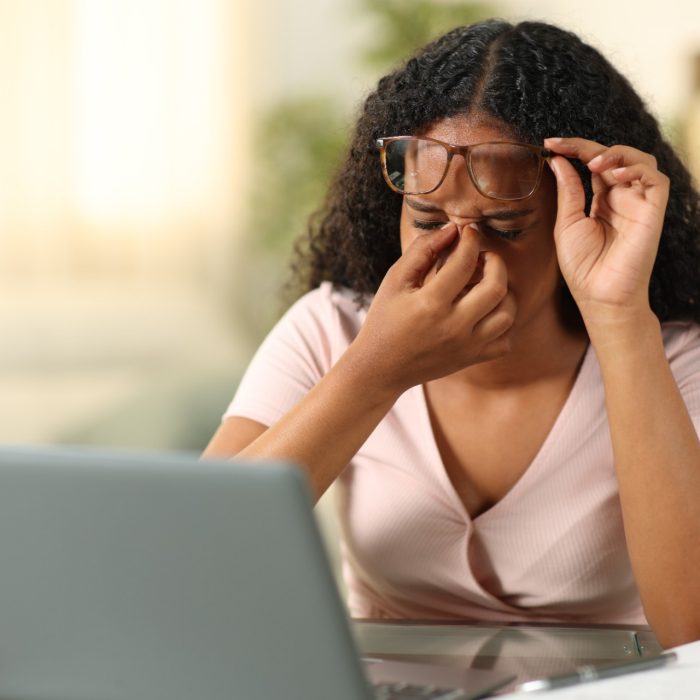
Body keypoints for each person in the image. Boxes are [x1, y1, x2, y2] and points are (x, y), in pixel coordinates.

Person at [204, 19, 700, 648]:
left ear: (586, 215)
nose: (463, 257)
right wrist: (376, 371)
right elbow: (197, 548)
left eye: (508, 226)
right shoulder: (330, 329)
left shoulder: (672, 356)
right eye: (427, 217)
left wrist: (619, 314)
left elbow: (692, 630)